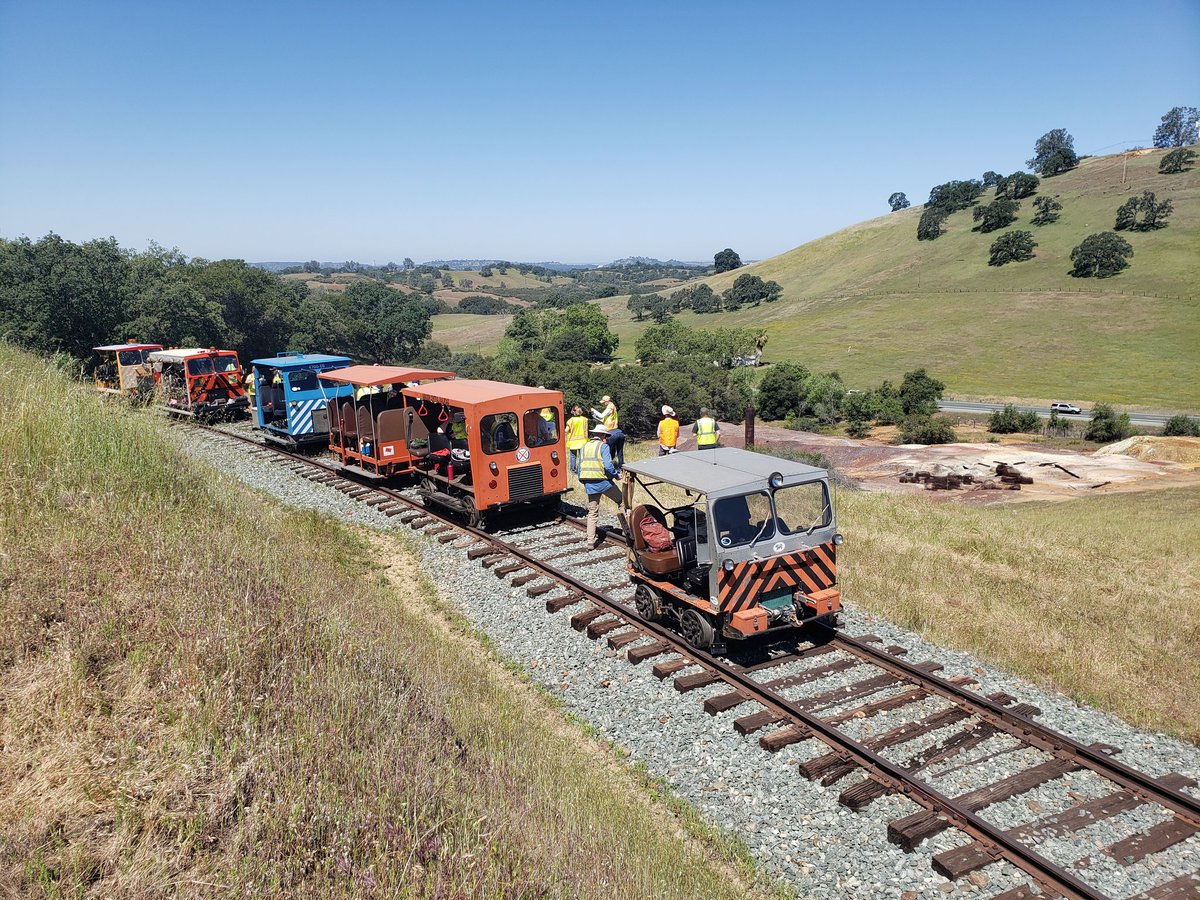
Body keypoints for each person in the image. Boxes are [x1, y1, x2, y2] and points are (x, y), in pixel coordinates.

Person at [579, 425, 622, 549]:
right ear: (603, 435)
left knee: (592, 512)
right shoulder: (603, 446)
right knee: (622, 502)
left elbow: (579, 466)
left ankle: (590, 542)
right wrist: (616, 475)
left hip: (589, 482)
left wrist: (583, 481)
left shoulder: (584, 446)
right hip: (603, 481)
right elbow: (608, 466)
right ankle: (627, 532)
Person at [564, 405, 589, 475]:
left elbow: (566, 430)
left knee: (573, 456)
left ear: (573, 412)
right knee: (581, 456)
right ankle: (580, 469)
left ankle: (573, 470)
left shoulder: (570, 421)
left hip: (573, 442)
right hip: (583, 441)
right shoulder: (585, 419)